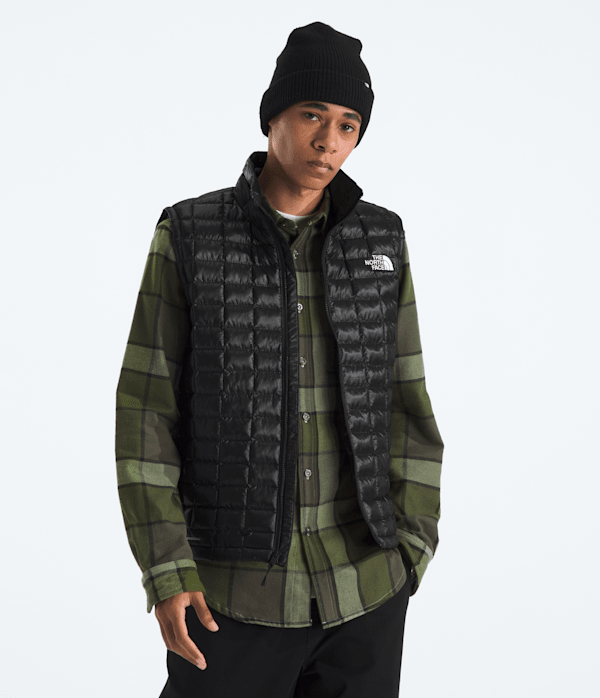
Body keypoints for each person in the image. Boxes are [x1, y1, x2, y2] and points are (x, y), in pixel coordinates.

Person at [115, 21, 444, 698]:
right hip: (230, 597)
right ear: (273, 118)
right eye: (312, 115)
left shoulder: (382, 237)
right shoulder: (190, 233)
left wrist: (411, 551)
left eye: (349, 124)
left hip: (366, 591)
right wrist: (167, 570)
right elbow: (145, 412)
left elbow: (406, 401)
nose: (329, 141)